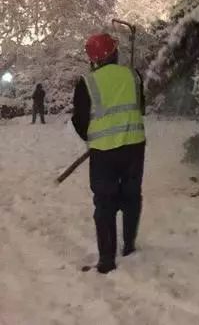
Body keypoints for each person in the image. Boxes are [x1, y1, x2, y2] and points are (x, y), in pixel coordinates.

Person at [71, 33, 146, 274]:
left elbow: (79, 120)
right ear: (115, 52)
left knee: (105, 202)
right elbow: (140, 107)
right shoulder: (134, 76)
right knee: (132, 196)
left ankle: (106, 259)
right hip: (134, 146)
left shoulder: (87, 82)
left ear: (93, 59)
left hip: (103, 152)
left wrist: (93, 137)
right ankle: (130, 246)